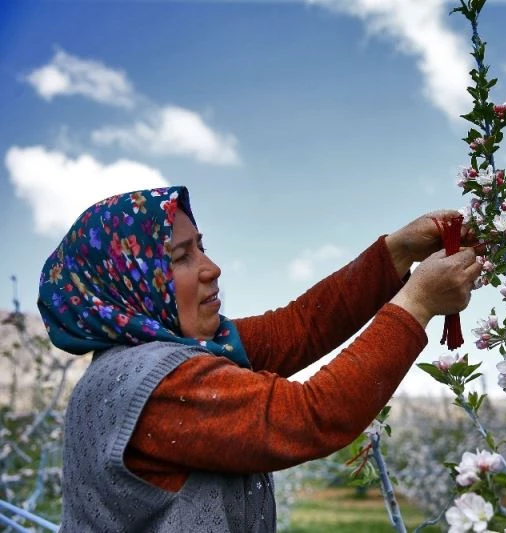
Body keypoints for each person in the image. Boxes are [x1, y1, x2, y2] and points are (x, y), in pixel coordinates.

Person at [38, 186, 481, 532]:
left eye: (201, 246)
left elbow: (299, 327)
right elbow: (312, 415)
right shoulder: (158, 385)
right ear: (130, 280)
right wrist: (418, 302)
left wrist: (398, 251)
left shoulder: (177, 352)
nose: (211, 268)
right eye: (180, 257)